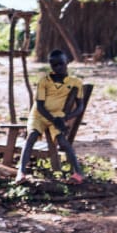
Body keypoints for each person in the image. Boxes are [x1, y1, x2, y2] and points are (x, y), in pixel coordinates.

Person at [16, 49, 86, 183]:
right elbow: (40, 106)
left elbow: (80, 106)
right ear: (51, 66)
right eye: (55, 65)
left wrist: (65, 118)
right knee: (31, 137)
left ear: (67, 62)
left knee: (63, 142)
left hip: (58, 116)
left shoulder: (75, 82)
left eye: (61, 64)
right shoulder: (44, 81)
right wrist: (54, 120)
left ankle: (78, 173)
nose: (58, 67)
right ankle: (21, 172)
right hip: (39, 115)